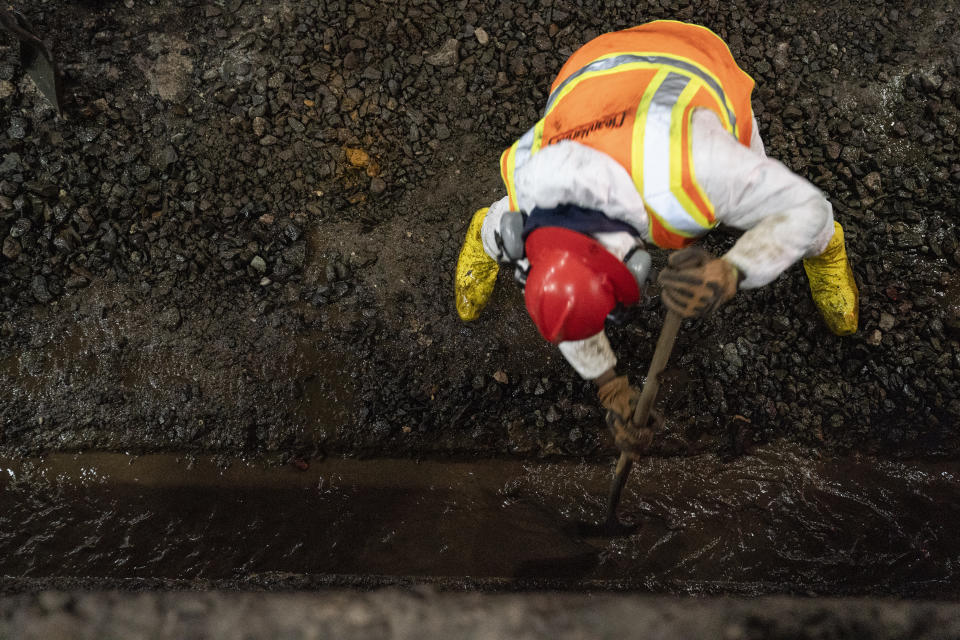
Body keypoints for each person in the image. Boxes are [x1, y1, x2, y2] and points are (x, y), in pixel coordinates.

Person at [454, 20, 858, 458]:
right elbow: (568, 297)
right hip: (594, 73)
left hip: (695, 69)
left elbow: (804, 207)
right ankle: (479, 234)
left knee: (796, 217)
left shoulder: (698, 170)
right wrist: (609, 386)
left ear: (635, 259)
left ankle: (827, 251)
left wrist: (733, 270)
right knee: (494, 224)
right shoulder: (526, 187)